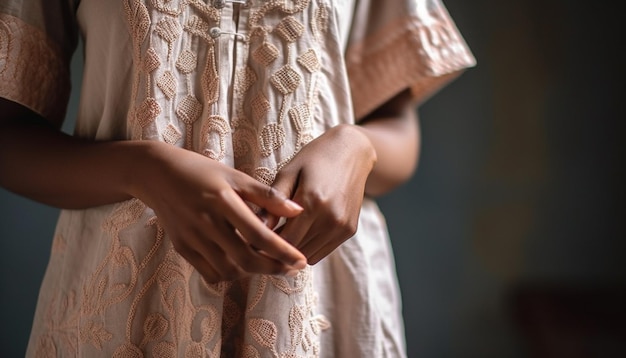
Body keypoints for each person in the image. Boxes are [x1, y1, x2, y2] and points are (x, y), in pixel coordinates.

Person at [0, 0, 474, 356]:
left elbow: (399, 132)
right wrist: (141, 169)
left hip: (315, 303)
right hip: (124, 301)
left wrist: (357, 147)